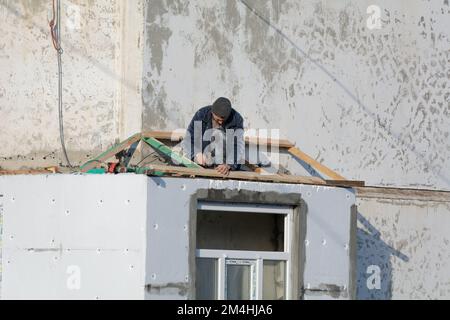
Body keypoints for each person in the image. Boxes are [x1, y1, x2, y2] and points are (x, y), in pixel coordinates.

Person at [183, 97, 244, 175]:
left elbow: (237, 146)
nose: (221, 122)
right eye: (218, 120)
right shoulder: (201, 114)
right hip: (202, 158)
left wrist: (229, 164)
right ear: (212, 112)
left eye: (223, 120)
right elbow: (188, 139)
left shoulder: (236, 119)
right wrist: (197, 154)